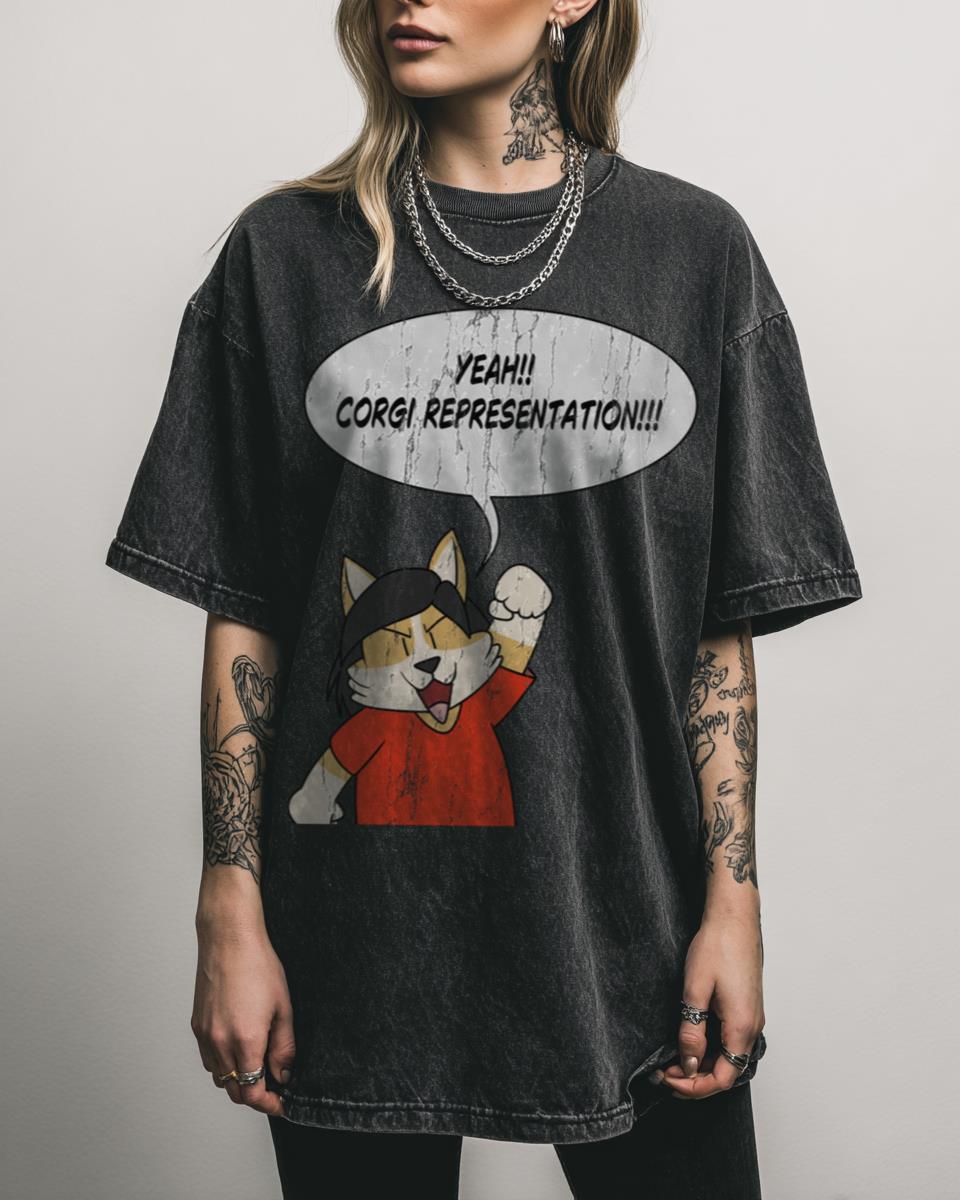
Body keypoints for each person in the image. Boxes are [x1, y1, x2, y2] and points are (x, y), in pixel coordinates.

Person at [104, 0, 863, 1196]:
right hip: (352, 940)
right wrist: (229, 905)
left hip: (631, 922)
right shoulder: (284, 255)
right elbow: (244, 609)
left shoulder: (694, 253)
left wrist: (735, 901)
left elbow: (715, 633)